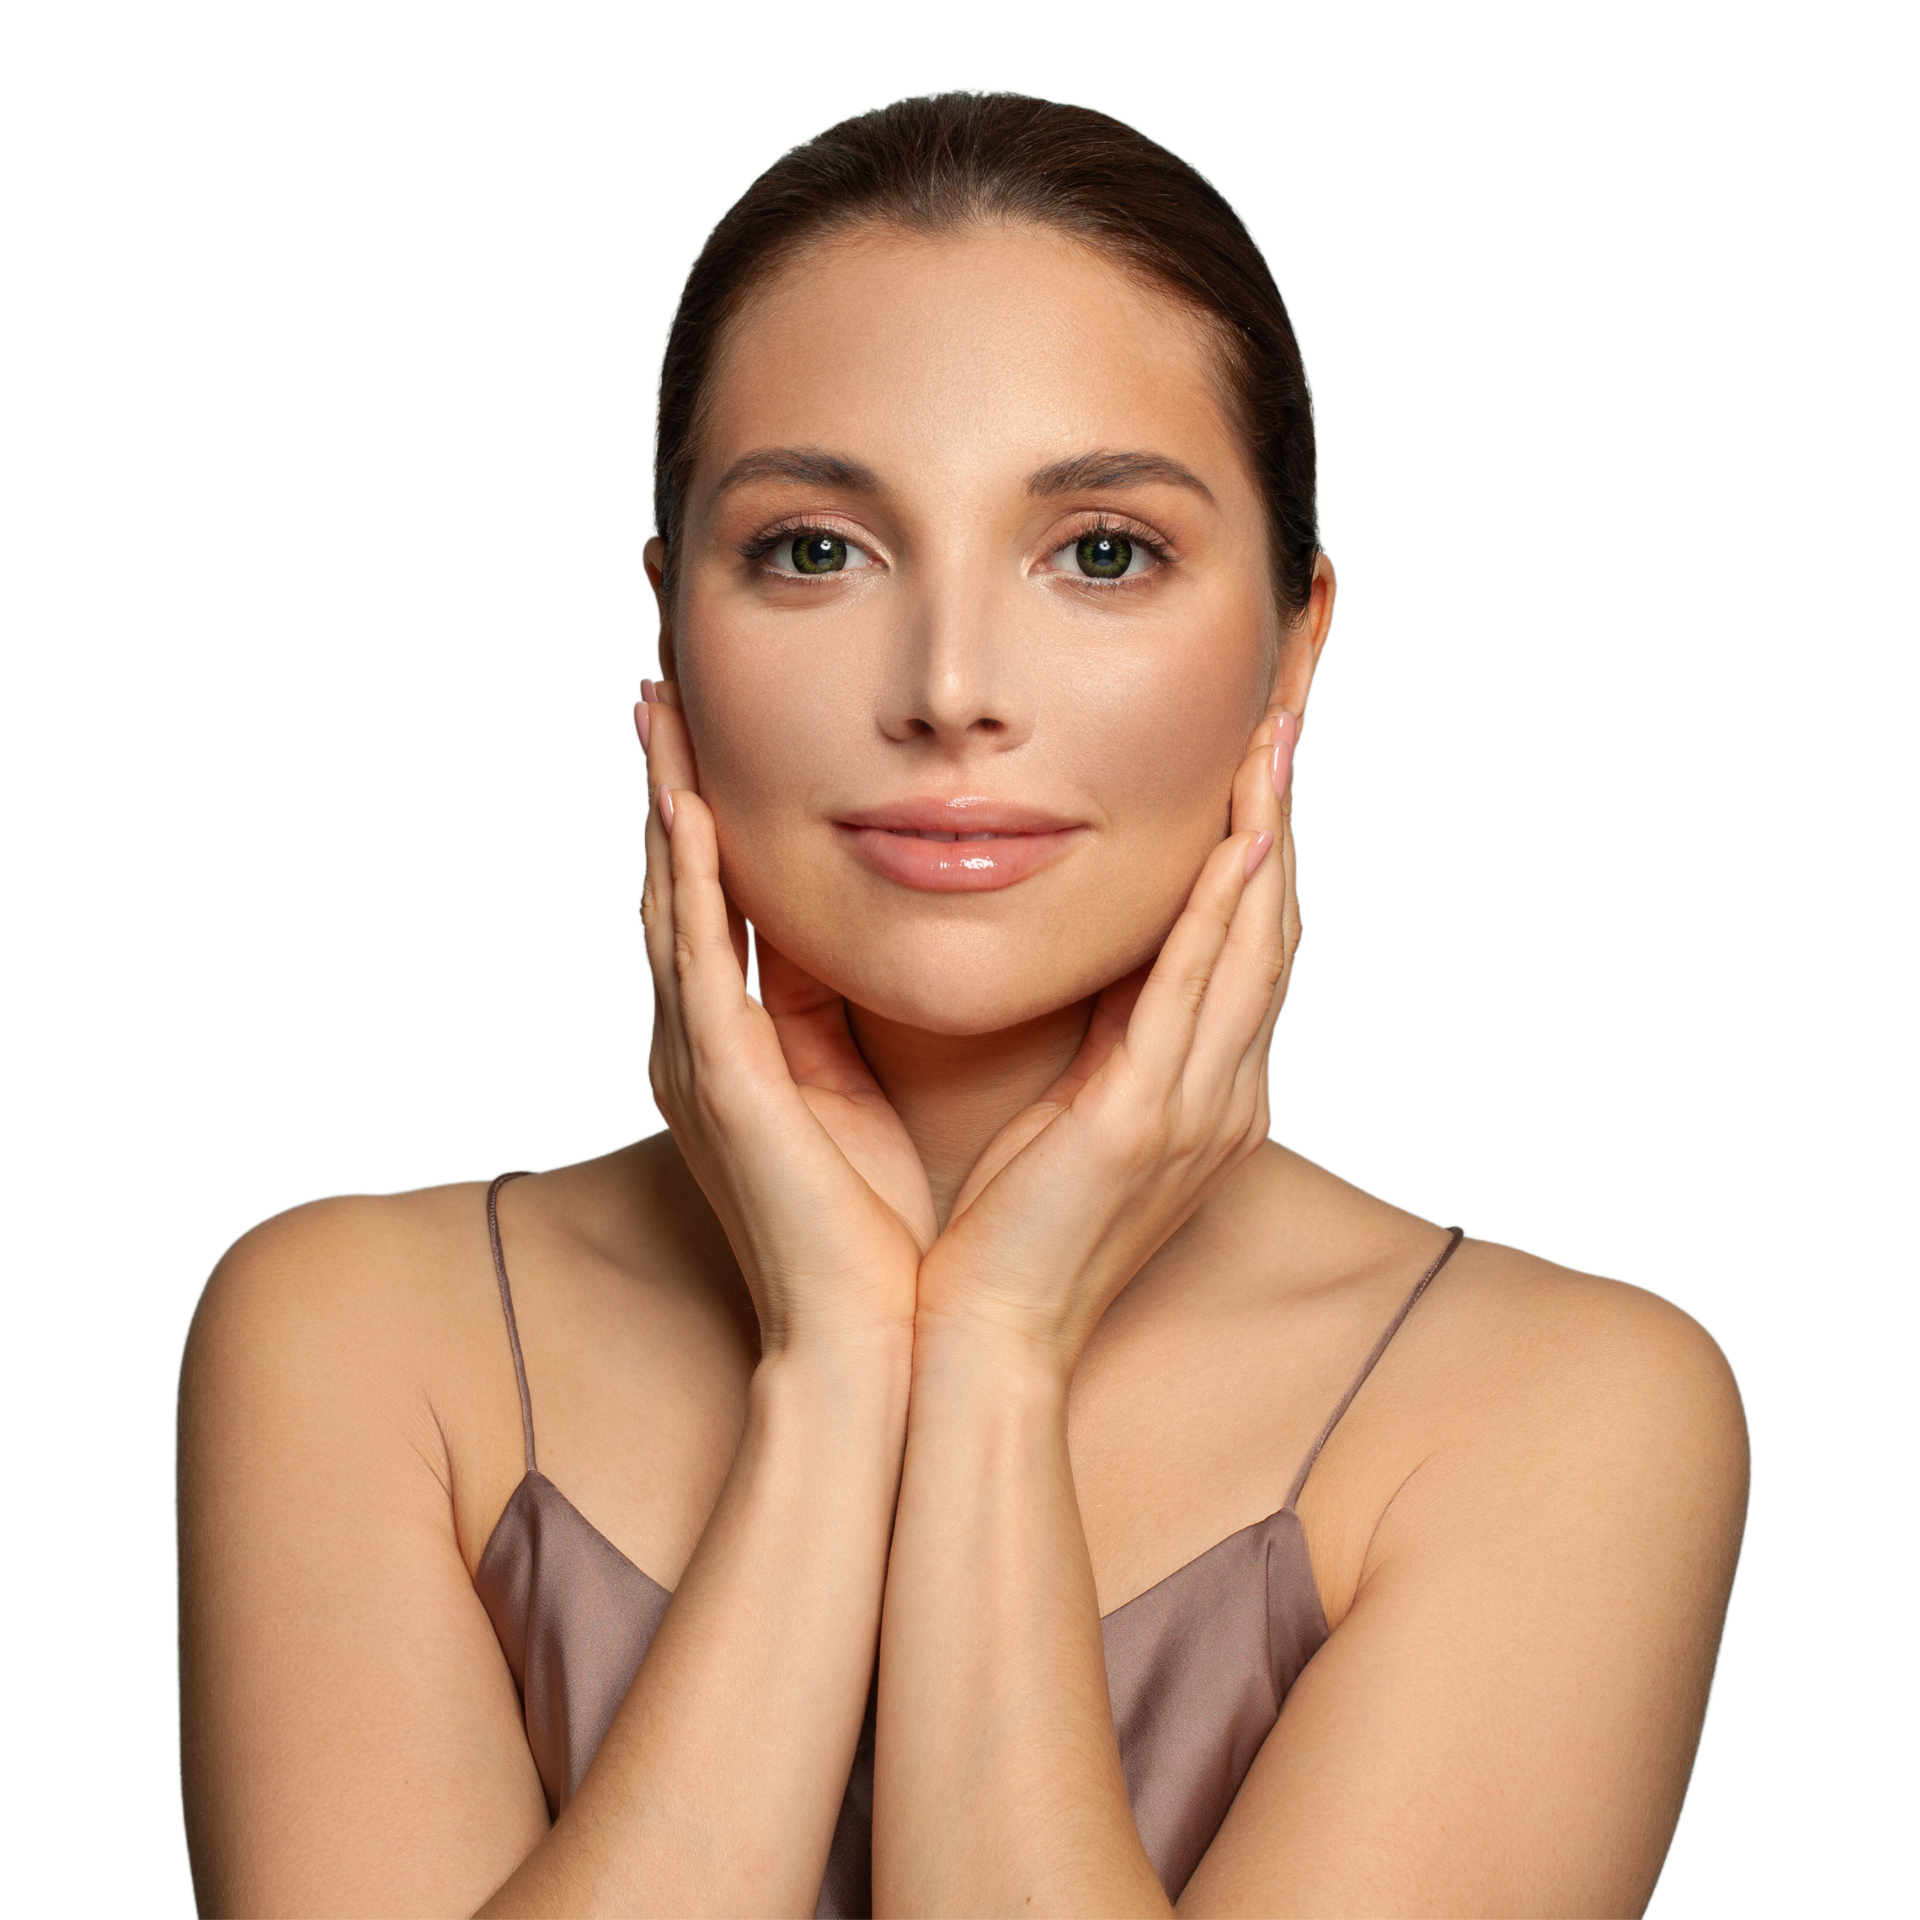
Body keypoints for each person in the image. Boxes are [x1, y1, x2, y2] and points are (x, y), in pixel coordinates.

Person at [174, 89, 1749, 1917]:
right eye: (815, 550)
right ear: (667, 623)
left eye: (1102, 552)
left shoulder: (1571, 1408)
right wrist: (835, 1364)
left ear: (1299, 640)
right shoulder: (355, 1334)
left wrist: (993, 1353)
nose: (948, 688)